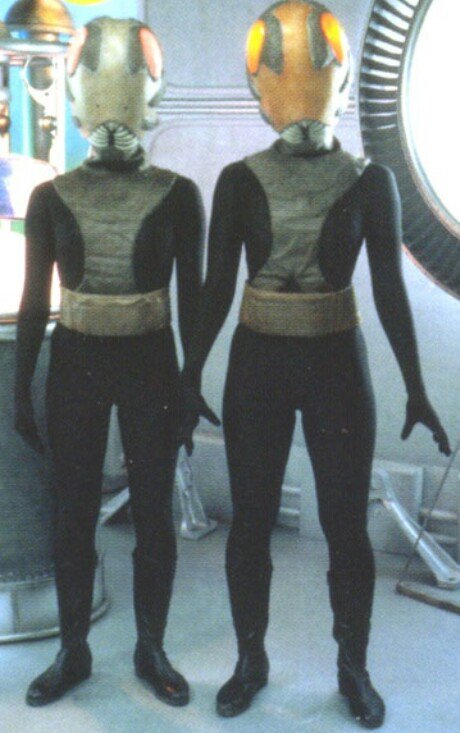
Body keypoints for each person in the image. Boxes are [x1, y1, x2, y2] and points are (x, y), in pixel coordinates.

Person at [179, 2, 451, 728]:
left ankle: (352, 667)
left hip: (334, 361)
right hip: (260, 360)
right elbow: (216, 285)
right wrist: (189, 373)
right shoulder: (240, 180)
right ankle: (250, 659)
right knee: (251, 521)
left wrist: (417, 387)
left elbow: (389, 290)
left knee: (345, 525)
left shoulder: (370, 180)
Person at [14, 17, 204, 708]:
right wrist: (21, 389)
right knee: (73, 512)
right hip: (78, 358)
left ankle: (151, 646)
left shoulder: (179, 194)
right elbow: (35, 300)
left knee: (152, 511)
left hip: (149, 357)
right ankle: (74, 649)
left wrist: (190, 381)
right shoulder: (50, 196)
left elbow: (193, 299)